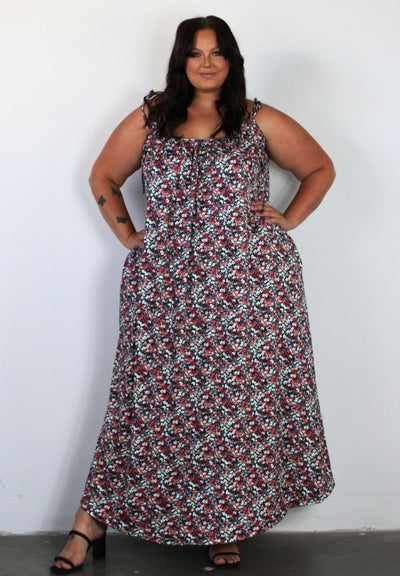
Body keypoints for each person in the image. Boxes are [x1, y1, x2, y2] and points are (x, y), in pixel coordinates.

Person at [50, 15, 335, 573]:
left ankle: (224, 524)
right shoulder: (153, 116)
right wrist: (130, 235)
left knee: (233, 405)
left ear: (232, 61)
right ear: (181, 59)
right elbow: (103, 176)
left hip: (248, 288)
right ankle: (91, 521)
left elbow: (320, 168)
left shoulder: (255, 118)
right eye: (196, 52)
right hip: (165, 285)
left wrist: (289, 218)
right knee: (143, 399)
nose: (206, 63)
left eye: (217, 52)